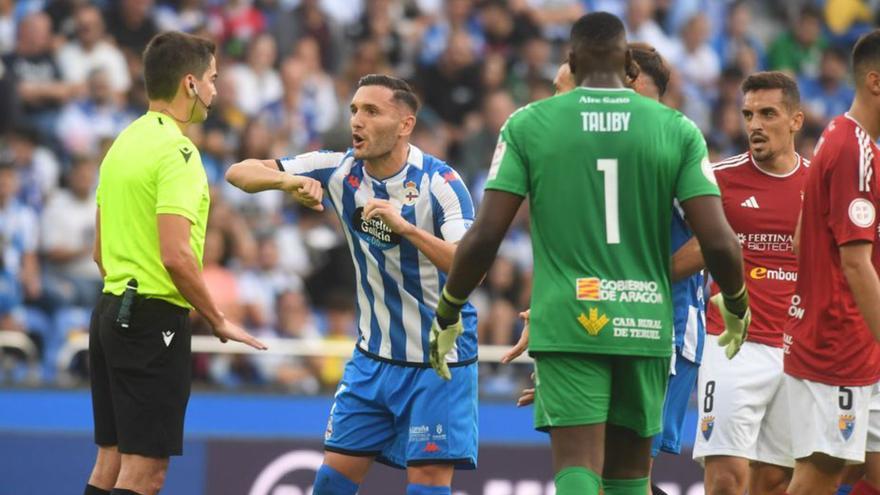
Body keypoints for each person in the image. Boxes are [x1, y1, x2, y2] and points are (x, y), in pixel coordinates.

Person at [430, 12, 749, 495]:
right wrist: (738, 302)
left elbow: (485, 235)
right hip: (645, 322)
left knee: (578, 465)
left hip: (569, 318)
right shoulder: (677, 128)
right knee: (629, 476)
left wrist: (450, 306)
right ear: (628, 65)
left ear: (572, 61)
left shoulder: (528, 124)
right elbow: (720, 239)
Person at [225, 74, 478, 495]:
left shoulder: (441, 184)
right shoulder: (339, 169)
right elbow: (240, 172)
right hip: (372, 357)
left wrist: (407, 229)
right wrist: (288, 181)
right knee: (330, 482)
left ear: (405, 125)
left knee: (427, 487)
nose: (357, 121)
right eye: (354, 110)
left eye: (372, 111)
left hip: (440, 360)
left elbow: (470, 267)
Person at [504, 44, 707, 495]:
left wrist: (636, 285)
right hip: (598, 324)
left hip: (663, 327)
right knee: (613, 474)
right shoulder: (592, 147)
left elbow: (711, 242)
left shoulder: (667, 141)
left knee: (622, 471)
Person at [83, 31, 268, 495]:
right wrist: (217, 317)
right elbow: (176, 254)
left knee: (110, 462)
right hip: (150, 319)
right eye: (212, 79)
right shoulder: (179, 152)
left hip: (109, 310)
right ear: (189, 84)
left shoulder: (121, 144)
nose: (215, 91)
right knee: (146, 471)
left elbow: (99, 253)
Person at [689, 71, 807, 495]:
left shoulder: (819, 185)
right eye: (748, 114)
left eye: (768, 113)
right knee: (725, 478)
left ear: (796, 120)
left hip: (797, 351)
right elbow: (684, 254)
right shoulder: (718, 181)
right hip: (732, 345)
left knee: (775, 482)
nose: (755, 124)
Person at [783, 29, 880, 495]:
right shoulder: (855, 151)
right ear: (875, 82)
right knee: (822, 470)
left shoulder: (837, 138)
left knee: (869, 468)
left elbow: (804, 235)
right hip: (839, 339)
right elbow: (857, 265)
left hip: (847, 334)